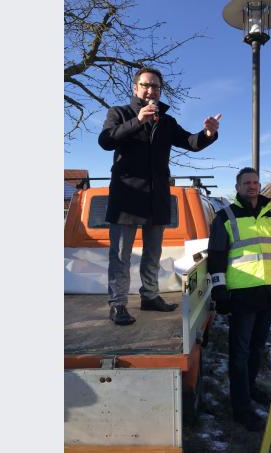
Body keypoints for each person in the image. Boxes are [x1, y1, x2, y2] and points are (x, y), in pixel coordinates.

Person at [98, 67, 222, 326]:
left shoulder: (166, 121)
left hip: (157, 198)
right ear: (135, 88)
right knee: (120, 254)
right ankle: (118, 304)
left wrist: (208, 134)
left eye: (155, 86)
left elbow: (190, 142)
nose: (150, 90)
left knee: (153, 252)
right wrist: (138, 121)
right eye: (145, 85)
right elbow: (106, 140)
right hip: (127, 198)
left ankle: (150, 296)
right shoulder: (119, 113)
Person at [208, 167, 271, 432]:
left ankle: (251, 388)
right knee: (240, 353)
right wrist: (219, 289)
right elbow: (217, 255)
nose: (252, 186)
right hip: (242, 294)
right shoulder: (225, 216)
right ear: (237, 187)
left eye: (256, 182)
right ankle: (241, 408)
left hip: (268, 292)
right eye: (247, 182)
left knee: (257, 349)